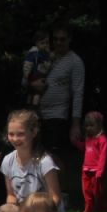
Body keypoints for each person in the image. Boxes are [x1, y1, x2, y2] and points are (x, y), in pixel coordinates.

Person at [37, 26, 85, 187]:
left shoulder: (75, 62)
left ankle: (59, 192)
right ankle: (42, 190)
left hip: (58, 115)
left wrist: (75, 124)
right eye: (55, 39)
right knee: (37, 155)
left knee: (54, 157)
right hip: (38, 113)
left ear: (69, 40)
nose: (58, 42)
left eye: (62, 39)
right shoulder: (45, 58)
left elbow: (78, 93)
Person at [0, 108, 63, 212]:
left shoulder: (44, 162)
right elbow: (11, 195)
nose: (15, 139)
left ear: (34, 132)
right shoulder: (7, 161)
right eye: (11, 134)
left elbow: (55, 197)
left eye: (20, 134)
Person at [74, 111, 107, 212]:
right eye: (87, 126)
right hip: (86, 169)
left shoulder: (102, 140)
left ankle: (101, 208)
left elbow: (103, 157)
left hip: (96, 171)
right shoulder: (89, 139)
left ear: (99, 125)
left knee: (97, 191)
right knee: (86, 191)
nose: (88, 128)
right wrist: (76, 142)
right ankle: (88, 208)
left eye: (91, 125)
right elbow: (85, 148)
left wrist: (100, 171)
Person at [21, 29, 53, 106]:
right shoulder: (33, 53)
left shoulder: (46, 54)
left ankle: (32, 106)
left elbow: (48, 67)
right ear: (36, 43)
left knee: (36, 93)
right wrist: (27, 76)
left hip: (40, 76)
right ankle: (32, 107)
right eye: (42, 43)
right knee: (34, 94)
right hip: (33, 76)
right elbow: (27, 65)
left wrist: (49, 58)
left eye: (47, 43)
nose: (45, 45)